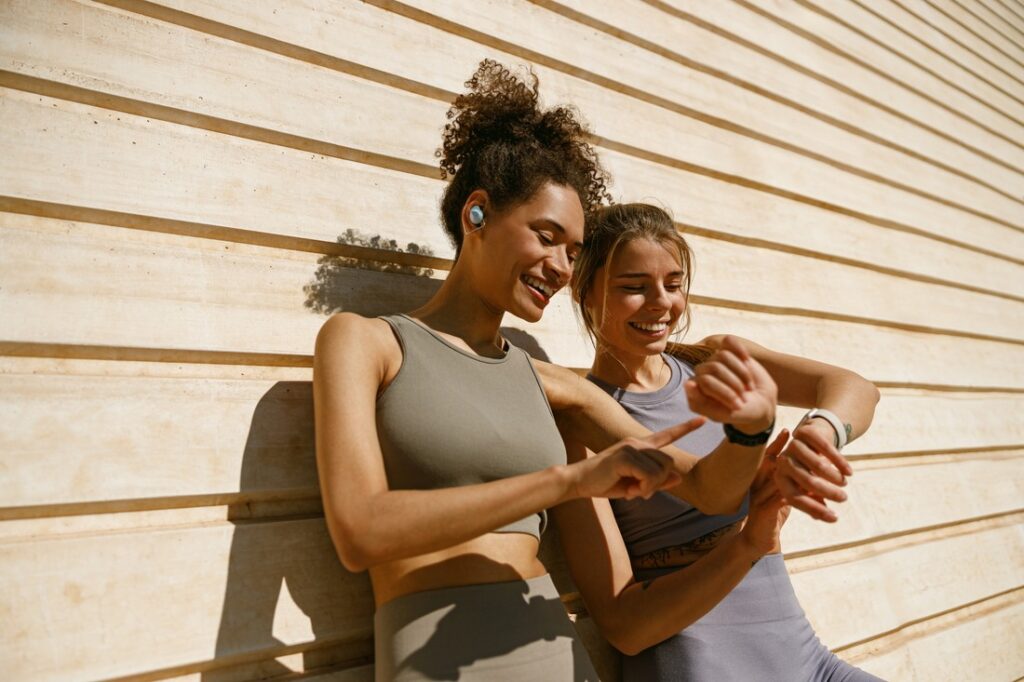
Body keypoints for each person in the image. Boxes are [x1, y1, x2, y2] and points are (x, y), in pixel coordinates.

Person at [313, 60, 846, 681]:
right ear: (476, 214)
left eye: (573, 250)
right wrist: (567, 482)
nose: (563, 267)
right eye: (547, 237)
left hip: (557, 649)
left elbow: (707, 489)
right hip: (435, 653)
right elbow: (360, 532)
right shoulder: (366, 341)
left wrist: (751, 433)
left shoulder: (546, 378)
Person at [557, 202, 884, 680]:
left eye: (673, 284)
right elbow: (626, 627)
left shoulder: (713, 360)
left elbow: (858, 389)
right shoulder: (581, 422)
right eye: (633, 287)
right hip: (701, 667)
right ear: (584, 291)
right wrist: (748, 540)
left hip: (805, 660)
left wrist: (815, 436)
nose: (660, 304)